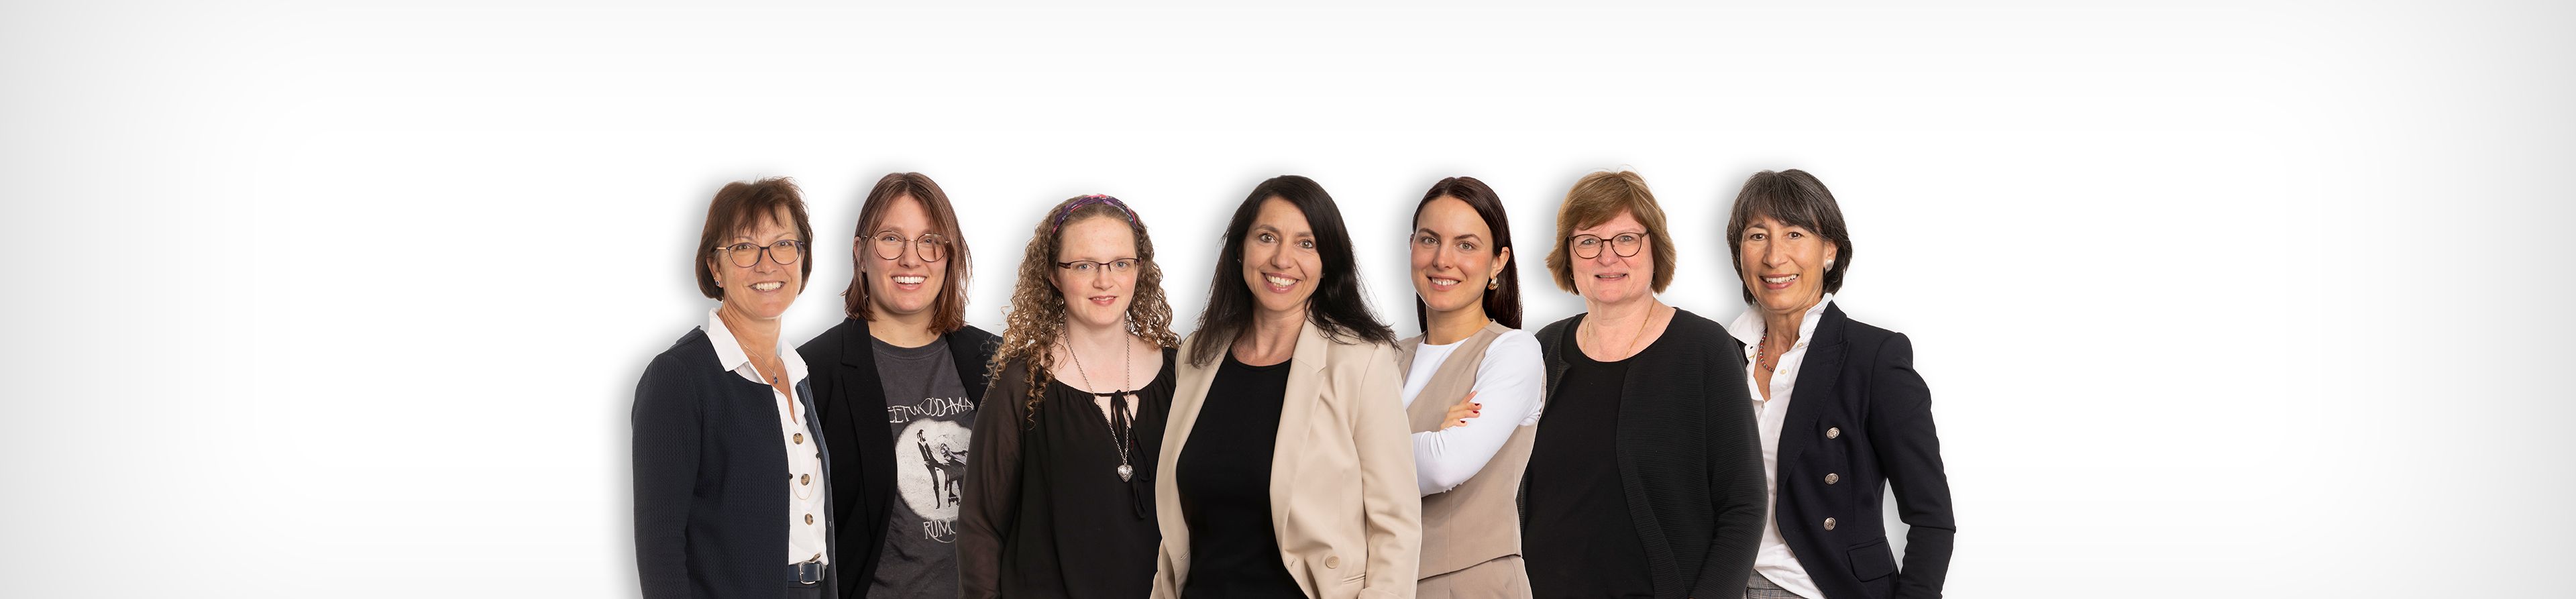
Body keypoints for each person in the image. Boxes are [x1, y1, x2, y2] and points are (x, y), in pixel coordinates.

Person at [1151, 175, 1421, 599]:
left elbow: (1397, 525)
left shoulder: (1361, 361)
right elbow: (1177, 531)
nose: (1282, 259)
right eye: (1267, 237)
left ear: (1327, 261)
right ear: (1240, 248)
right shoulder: (1197, 354)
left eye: (1306, 244)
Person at [1521, 170, 1766, 599]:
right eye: (1588, 241)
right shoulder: (1542, 349)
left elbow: (1744, 507)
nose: (1607, 257)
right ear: (1569, 255)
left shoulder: (1705, 350)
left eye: (1626, 239)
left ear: (1655, 248)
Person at [1722, 170, 1953, 599]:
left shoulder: (1874, 356)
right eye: (1757, 236)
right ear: (1739, 253)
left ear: (1830, 250)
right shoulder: (1717, 355)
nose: (1774, 256)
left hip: (1819, 589)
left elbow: (1931, 517)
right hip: (1719, 584)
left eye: (1795, 234)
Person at [958, 195, 1184, 598]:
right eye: (1083, 265)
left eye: (1120, 263)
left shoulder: (1180, 372)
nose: (1105, 281)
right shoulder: (1022, 381)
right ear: (1052, 274)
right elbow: (981, 525)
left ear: (1139, 269)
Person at [796, 172, 1000, 598]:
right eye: (891, 239)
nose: (911, 259)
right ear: (860, 253)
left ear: (949, 256)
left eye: (930, 241)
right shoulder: (811, 372)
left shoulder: (996, 361)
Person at [634, 178, 837, 598]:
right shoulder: (679, 376)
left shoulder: (797, 373)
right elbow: (660, 549)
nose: (767, 265)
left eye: (784, 244)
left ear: (802, 259)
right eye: (744, 248)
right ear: (716, 268)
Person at [1393, 176, 1546, 598]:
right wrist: (1429, 439)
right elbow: (1318, 467)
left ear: (1498, 261)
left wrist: (1358, 454)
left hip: (1472, 585)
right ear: (1411, 246)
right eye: (1430, 240)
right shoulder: (1383, 356)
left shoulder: (1513, 351)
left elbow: (1444, 466)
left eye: (1466, 245)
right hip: (1383, 584)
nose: (1443, 259)